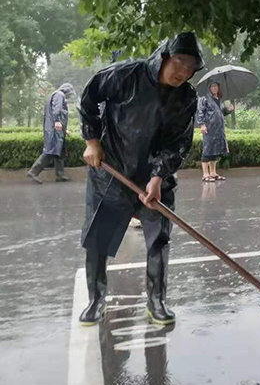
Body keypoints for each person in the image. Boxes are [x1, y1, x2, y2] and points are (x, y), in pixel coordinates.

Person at [77, 32, 204, 326]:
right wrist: (92, 141)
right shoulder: (126, 75)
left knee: (158, 239)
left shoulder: (186, 97)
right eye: (180, 63)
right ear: (164, 55)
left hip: (154, 178)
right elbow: (90, 97)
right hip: (113, 171)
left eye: (191, 69)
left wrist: (159, 176)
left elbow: (179, 142)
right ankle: (96, 299)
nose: (184, 73)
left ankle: (156, 300)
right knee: (99, 239)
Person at [27, 83, 76, 184]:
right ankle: (33, 171)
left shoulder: (54, 95)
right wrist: (57, 122)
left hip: (56, 129)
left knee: (59, 152)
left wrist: (63, 129)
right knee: (51, 151)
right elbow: (56, 110)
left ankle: (60, 175)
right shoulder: (59, 95)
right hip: (54, 130)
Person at [197, 81, 234, 182]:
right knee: (207, 150)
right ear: (209, 88)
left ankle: (213, 173)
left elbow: (220, 113)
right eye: (212, 86)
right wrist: (202, 124)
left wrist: (228, 110)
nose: (214, 88)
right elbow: (201, 112)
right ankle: (205, 174)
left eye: (216, 86)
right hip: (209, 128)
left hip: (219, 129)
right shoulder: (205, 99)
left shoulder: (220, 100)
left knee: (215, 151)